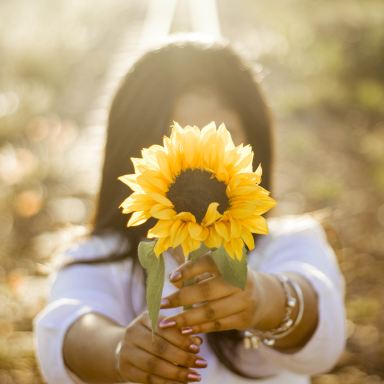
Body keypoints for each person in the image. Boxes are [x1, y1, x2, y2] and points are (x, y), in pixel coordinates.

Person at [33, 34, 346, 384]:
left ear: (254, 145)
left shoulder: (290, 244)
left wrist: (265, 301)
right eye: (176, 137)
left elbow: (323, 331)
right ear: (135, 153)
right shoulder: (100, 258)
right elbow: (70, 324)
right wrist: (120, 351)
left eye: (223, 135)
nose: (198, 152)